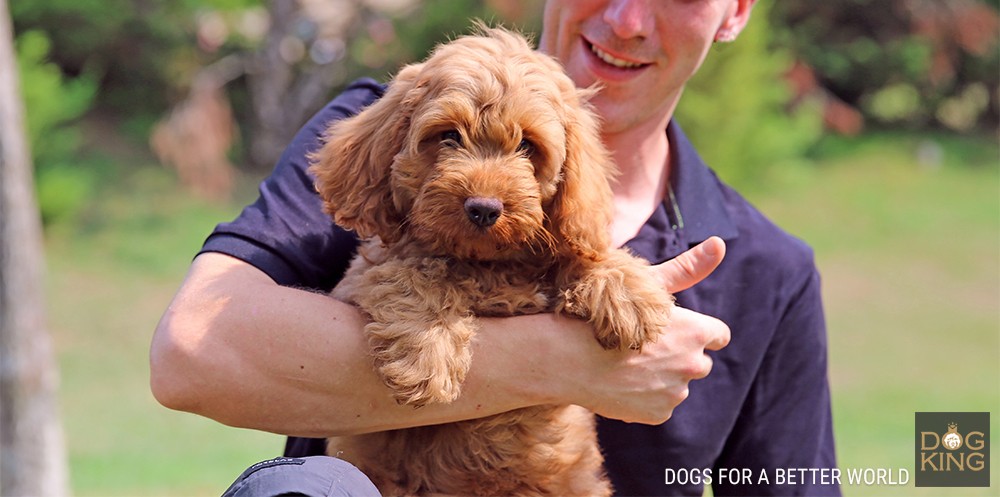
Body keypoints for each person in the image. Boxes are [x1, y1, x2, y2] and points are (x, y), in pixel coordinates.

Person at [151, 0, 840, 495]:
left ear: (736, 12)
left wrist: (592, 279)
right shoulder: (378, 129)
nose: (628, 18)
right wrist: (559, 363)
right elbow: (190, 354)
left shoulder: (770, 272)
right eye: (446, 139)